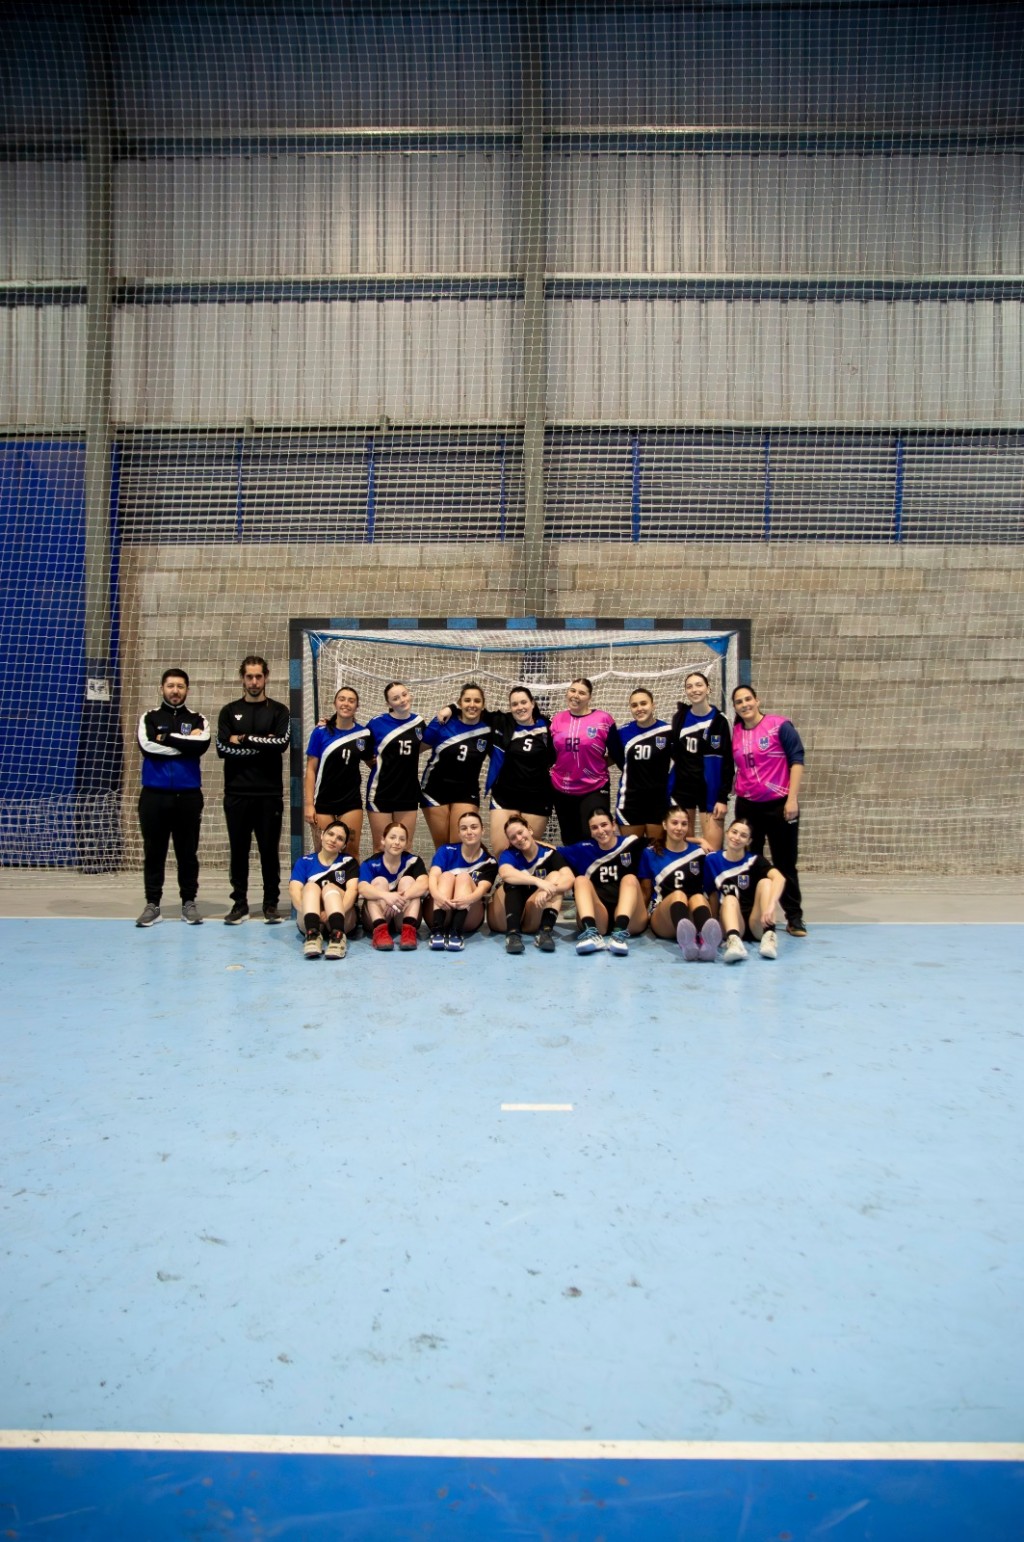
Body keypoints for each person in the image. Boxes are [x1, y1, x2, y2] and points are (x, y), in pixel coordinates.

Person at [216, 655, 291, 925]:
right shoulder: (228, 711)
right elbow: (222, 748)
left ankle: (271, 904)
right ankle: (239, 904)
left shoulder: (279, 711)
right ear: (242, 678)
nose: (254, 681)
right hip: (236, 794)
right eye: (249, 676)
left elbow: (281, 743)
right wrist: (262, 743)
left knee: (269, 851)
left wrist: (243, 739)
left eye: (259, 676)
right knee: (238, 850)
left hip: (269, 794)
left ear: (266, 677)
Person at [135, 668, 210, 927]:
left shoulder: (199, 719)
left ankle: (188, 902)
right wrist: (184, 744)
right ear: (162, 688)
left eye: (180, 686)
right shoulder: (149, 717)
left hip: (188, 797)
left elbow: (201, 745)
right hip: (153, 797)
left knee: (187, 853)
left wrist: (167, 739)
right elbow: (147, 746)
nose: (175, 690)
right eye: (170, 686)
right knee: (154, 852)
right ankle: (152, 904)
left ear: (187, 690)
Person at [731, 684, 807, 936]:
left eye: (748, 699)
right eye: (739, 702)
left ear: (757, 700)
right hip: (747, 806)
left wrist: (792, 799)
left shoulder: (779, 726)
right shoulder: (737, 731)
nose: (744, 705)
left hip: (778, 805)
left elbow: (797, 761)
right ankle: (751, 915)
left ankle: (794, 917)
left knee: (785, 863)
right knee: (749, 862)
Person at [559, 806, 647, 956]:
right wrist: (525, 839)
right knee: (580, 880)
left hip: (631, 920)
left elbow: (665, 845)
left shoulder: (632, 844)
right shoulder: (583, 848)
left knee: (630, 878)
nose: (600, 831)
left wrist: (698, 841)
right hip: (600, 917)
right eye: (594, 828)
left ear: (613, 824)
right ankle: (591, 933)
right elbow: (549, 851)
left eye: (604, 825)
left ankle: (619, 934)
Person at [638, 807, 721, 962]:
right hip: (663, 918)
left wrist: (716, 917)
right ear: (664, 825)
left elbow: (711, 890)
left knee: (697, 896)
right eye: (674, 823)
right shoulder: (650, 853)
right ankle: (686, 943)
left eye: (684, 824)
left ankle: (706, 942)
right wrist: (641, 920)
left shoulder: (700, 853)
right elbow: (646, 890)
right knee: (678, 894)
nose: (679, 828)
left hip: (692, 914)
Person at [488, 813, 574, 954]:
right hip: (502, 919)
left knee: (556, 877)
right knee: (513, 880)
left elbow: (569, 878)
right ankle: (512, 935)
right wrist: (538, 882)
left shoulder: (550, 854)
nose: (519, 839)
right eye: (513, 838)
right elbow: (505, 873)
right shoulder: (509, 854)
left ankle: (545, 932)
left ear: (530, 830)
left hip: (530, 916)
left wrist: (550, 889)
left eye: (520, 832)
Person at [704, 817, 786, 964]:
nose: (737, 838)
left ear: (748, 841)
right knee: (729, 898)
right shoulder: (712, 860)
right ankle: (734, 943)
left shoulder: (755, 860)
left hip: (757, 923)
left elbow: (780, 879)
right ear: (727, 832)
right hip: (731, 922)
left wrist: (772, 905)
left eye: (743, 835)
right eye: (734, 832)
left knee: (766, 882)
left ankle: (769, 938)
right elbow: (711, 895)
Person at [303, 685, 372, 861]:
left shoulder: (364, 734)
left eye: (351, 700)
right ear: (335, 703)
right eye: (342, 699)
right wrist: (309, 804)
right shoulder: (320, 732)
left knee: (350, 851)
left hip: (350, 801)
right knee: (324, 851)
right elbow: (311, 769)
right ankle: (324, 887)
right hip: (323, 800)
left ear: (357, 706)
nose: (346, 703)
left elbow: (373, 762)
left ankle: (351, 889)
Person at [484, 686, 555, 854]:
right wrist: (450, 709)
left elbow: (557, 758)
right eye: (514, 704)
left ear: (532, 703)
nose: (520, 707)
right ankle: (506, 880)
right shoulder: (502, 722)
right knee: (502, 850)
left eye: (524, 702)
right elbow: (473, 710)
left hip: (537, 797)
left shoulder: (547, 726)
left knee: (528, 851)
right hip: (505, 796)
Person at [421, 683, 493, 848]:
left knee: (459, 845)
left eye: (477, 701)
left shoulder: (489, 728)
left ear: (483, 705)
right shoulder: (443, 721)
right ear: (460, 703)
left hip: (466, 791)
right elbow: (416, 749)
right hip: (434, 789)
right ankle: (440, 874)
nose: (472, 705)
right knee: (442, 847)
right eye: (467, 700)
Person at [549, 678, 620, 844]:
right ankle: (574, 871)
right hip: (562, 789)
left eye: (582, 692)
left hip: (594, 786)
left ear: (589, 697)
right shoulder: (557, 720)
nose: (576, 695)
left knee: (594, 835)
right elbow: (551, 754)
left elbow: (617, 753)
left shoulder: (604, 719)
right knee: (570, 839)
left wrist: (597, 764)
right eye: (573, 690)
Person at [668, 671, 733, 853]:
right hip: (683, 788)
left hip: (710, 791)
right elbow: (675, 752)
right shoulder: (679, 718)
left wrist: (722, 797)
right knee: (682, 846)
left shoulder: (720, 721)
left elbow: (728, 762)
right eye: (689, 686)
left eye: (699, 685)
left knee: (712, 850)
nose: (694, 690)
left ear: (708, 689)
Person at [365, 681, 428, 851]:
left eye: (404, 694)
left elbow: (426, 744)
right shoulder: (376, 723)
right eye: (395, 698)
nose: (402, 700)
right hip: (381, 791)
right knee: (381, 846)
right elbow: (362, 748)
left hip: (407, 792)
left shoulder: (418, 722)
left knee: (404, 847)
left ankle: (404, 879)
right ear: (389, 703)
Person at [426, 810, 499, 952]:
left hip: (469, 916)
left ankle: (456, 933)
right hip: (441, 907)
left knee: (464, 877)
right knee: (446, 876)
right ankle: (437, 932)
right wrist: (437, 895)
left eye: (474, 827)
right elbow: (433, 876)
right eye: (464, 828)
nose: (469, 832)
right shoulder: (446, 850)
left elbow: (481, 890)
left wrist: (468, 899)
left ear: (482, 830)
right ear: (459, 833)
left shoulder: (489, 862)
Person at [288, 820, 360, 960]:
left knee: (330, 887)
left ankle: (338, 938)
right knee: (310, 887)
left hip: (342, 918)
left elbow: (352, 892)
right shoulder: (304, 861)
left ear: (344, 845)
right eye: (330, 834)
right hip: (310, 918)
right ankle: (312, 935)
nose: (333, 840)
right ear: (322, 835)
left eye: (340, 838)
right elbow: (294, 891)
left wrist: (331, 913)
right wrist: (312, 914)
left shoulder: (349, 862)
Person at [357, 821, 429, 952]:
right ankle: (380, 932)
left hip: (403, 915)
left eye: (402, 839)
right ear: (383, 840)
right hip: (378, 916)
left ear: (406, 843)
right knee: (379, 881)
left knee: (408, 881)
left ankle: (408, 931)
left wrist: (400, 898)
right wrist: (387, 896)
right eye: (392, 837)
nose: (397, 842)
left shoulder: (413, 861)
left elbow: (424, 884)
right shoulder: (370, 863)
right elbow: (362, 888)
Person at [613, 688, 672, 841]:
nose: (639, 708)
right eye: (634, 705)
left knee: (656, 852)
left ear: (653, 705)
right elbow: (611, 758)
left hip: (659, 801)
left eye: (643, 703)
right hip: (630, 801)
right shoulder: (622, 733)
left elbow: (683, 762)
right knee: (631, 854)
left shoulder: (668, 731)